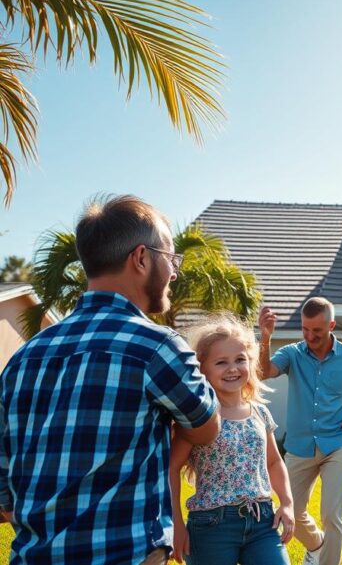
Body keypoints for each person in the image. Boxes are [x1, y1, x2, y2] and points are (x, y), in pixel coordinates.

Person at [0, 195, 221, 564]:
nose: (174, 273)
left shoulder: (23, 358)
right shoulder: (157, 347)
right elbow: (206, 429)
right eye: (171, 259)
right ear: (141, 258)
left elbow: (4, 497)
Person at [259, 298, 342, 565]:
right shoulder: (292, 354)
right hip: (299, 446)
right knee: (289, 511)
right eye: (305, 329)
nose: (310, 336)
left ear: (331, 326)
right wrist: (265, 337)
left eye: (317, 331)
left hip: (337, 443)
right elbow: (264, 372)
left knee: (331, 516)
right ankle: (316, 545)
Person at [169, 316, 295, 565]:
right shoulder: (197, 417)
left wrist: (287, 503)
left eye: (240, 359)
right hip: (212, 526)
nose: (232, 368)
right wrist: (177, 524)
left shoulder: (260, 412)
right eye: (221, 362)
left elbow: (273, 462)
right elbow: (172, 468)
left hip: (262, 521)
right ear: (202, 369)